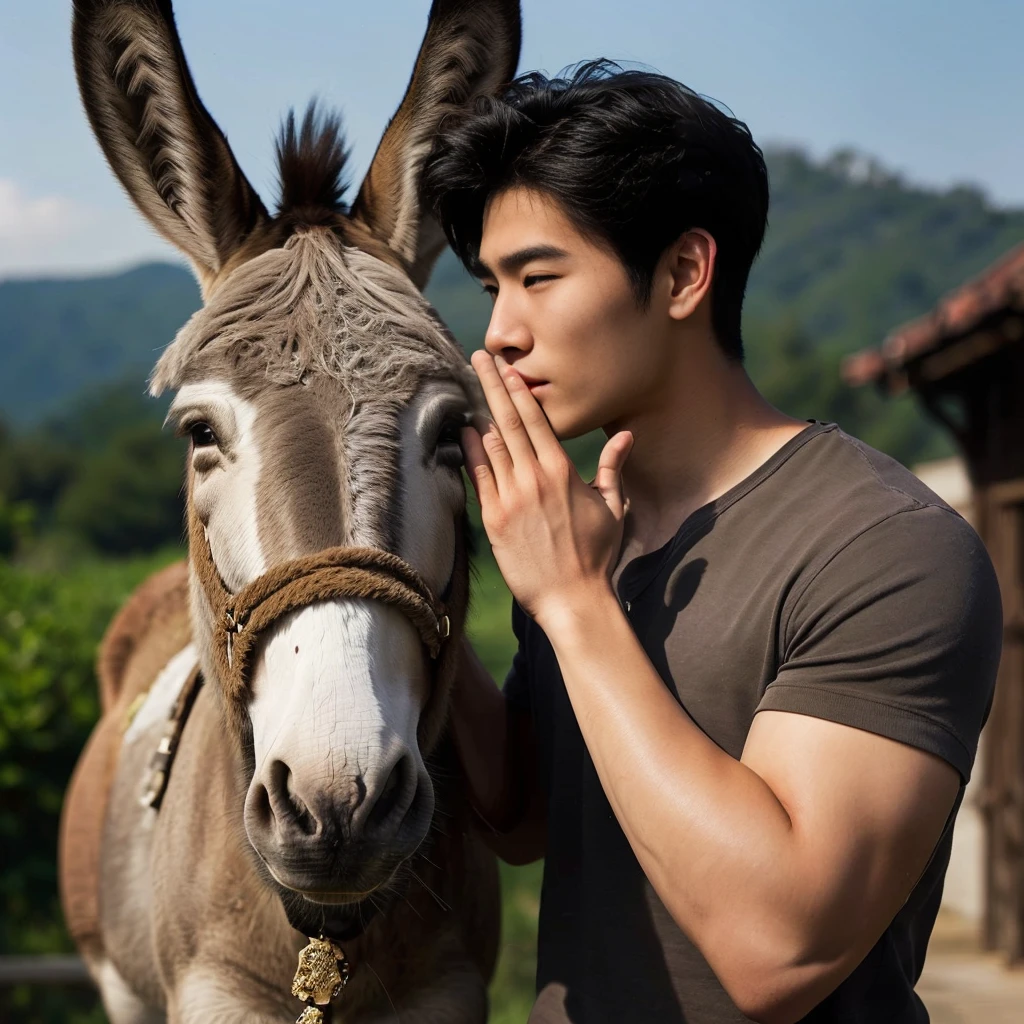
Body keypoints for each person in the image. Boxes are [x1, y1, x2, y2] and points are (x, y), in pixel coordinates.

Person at [420, 62, 1002, 1024]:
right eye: (491, 286)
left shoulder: (884, 547)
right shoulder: (588, 533)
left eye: (539, 277)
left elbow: (780, 948)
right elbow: (524, 816)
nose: (500, 334)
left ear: (686, 273)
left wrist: (573, 606)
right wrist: (418, 589)